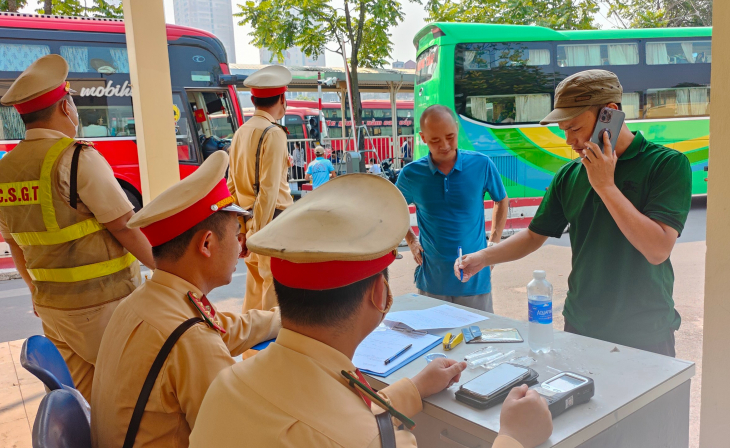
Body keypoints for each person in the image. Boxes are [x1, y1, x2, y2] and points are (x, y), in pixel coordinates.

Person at [189, 174, 552, 448]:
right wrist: (513, 437)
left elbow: (330, 408)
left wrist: (412, 388)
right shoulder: (366, 441)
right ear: (381, 293)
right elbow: (341, 424)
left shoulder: (228, 386)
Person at [457, 70, 692, 357]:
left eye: (575, 128)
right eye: (563, 129)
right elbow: (534, 235)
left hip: (645, 329)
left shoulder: (666, 164)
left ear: (610, 113)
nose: (569, 140)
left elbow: (657, 249)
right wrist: (482, 257)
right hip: (581, 323)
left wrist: (605, 185)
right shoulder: (569, 174)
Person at [0, 54, 154, 402]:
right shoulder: (77, 157)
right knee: (137, 395)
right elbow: (125, 227)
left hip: (53, 311)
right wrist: (168, 270)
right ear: (66, 107)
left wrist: (36, 293)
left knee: (89, 399)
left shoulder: (1, 172)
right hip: (103, 306)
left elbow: (16, 246)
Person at [90, 151, 281, 448]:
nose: (242, 247)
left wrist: (285, 320)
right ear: (206, 244)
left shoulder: (145, 300)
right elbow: (238, 436)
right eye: (237, 233)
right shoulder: (190, 337)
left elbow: (223, 329)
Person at [396, 105, 509, 313]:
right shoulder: (412, 174)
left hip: (475, 278)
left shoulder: (481, 165)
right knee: (437, 342)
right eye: (435, 140)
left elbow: (501, 200)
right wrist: (411, 240)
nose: (445, 145)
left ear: (457, 129)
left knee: (478, 340)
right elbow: (394, 209)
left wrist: (493, 244)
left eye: (450, 136)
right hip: (433, 279)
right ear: (423, 137)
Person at [226, 65, 292, 316]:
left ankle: (251, 354)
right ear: (283, 100)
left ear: (253, 100)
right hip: (271, 225)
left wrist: (242, 230)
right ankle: (268, 354)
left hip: (249, 222)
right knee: (273, 300)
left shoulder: (240, 132)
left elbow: (231, 186)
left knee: (254, 295)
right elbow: (268, 192)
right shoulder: (274, 133)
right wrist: (256, 235)